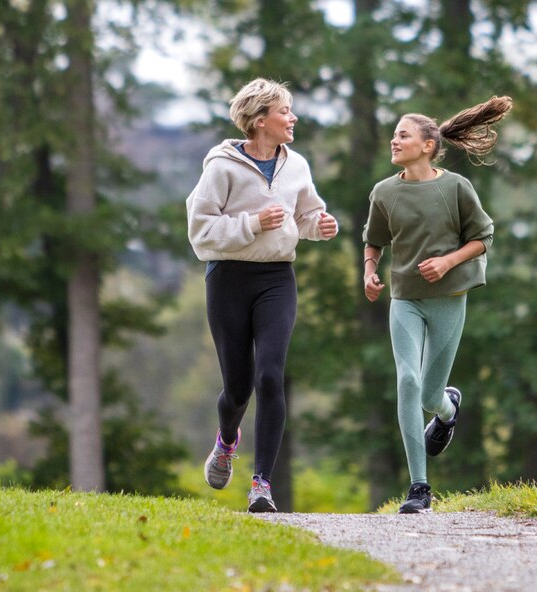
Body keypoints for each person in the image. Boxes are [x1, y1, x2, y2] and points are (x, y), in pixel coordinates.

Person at [186, 78, 339, 513]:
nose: (293, 118)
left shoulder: (298, 166)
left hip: (277, 279)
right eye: (285, 111)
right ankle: (226, 442)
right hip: (228, 280)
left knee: (270, 376)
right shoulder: (220, 168)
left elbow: (307, 214)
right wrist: (253, 223)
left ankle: (262, 486)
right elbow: (201, 234)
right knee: (237, 388)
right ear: (259, 121)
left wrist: (320, 226)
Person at [362, 96, 513, 514]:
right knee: (407, 381)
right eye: (394, 134)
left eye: (403, 134)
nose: (394, 140)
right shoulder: (384, 192)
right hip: (404, 299)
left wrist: (448, 260)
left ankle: (447, 409)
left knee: (430, 395)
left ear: (427, 145)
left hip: (448, 298)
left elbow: (484, 237)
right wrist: (369, 272)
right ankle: (419, 488)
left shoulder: (456, 188)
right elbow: (373, 240)